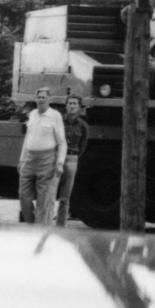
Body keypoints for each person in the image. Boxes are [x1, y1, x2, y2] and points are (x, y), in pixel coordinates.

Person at [18, 87, 65, 225]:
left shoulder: (55, 116)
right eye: (38, 97)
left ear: (49, 99)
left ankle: (40, 229)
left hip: (47, 160)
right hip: (29, 159)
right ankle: (33, 225)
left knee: (43, 199)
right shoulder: (32, 114)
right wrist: (21, 160)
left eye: (44, 97)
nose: (41, 100)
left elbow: (62, 143)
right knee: (23, 197)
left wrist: (60, 163)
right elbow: (27, 138)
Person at [54, 95, 89, 226]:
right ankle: (45, 223)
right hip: (56, 158)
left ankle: (60, 226)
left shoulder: (83, 125)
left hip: (71, 159)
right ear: (66, 106)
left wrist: (74, 157)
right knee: (50, 193)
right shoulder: (58, 121)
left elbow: (83, 144)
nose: (72, 106)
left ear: (79, 107)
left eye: (75, 104)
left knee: (65, 197)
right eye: (70, 103)